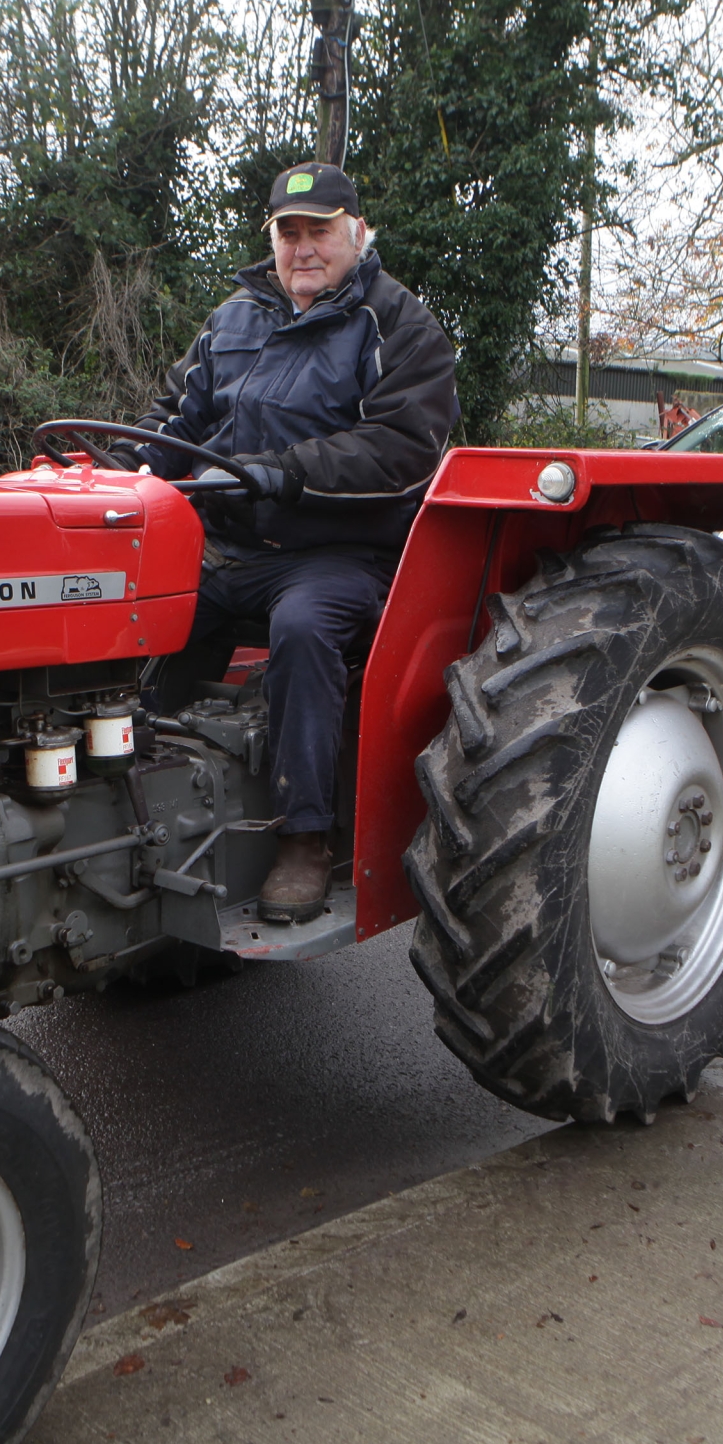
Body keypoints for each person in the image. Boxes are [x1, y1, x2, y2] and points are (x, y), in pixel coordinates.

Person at [127, 162, 459, 923]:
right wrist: (117, 470)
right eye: (289, 232)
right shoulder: (235, 318)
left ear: (357, 232)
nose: (303, 247)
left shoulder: (400, 326)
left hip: (339, 553)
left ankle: (305, 837)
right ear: (272, 239)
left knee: (304, 629)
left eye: (319, 230)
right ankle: (129, 793)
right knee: (138, 605)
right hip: (231, 547)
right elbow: (174, 419)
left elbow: (401, 450)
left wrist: (283, 472)